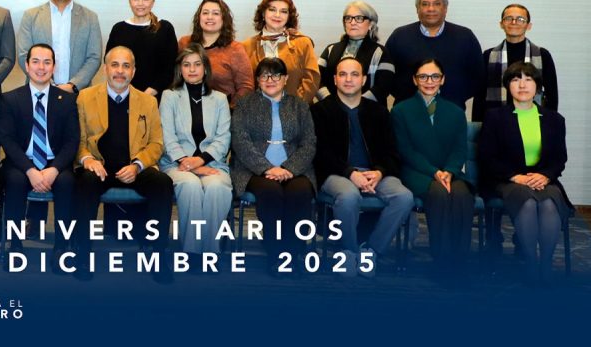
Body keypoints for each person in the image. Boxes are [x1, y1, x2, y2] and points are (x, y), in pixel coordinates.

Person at [74, 46, 173, 281]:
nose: (120, 71)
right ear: (105, 69)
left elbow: (156, 143)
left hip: (133, 167)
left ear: (133, 71)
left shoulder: (148, 101)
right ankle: (82, 254)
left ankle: (158, 255)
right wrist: (88, 159)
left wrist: (137, 165)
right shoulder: (85, 97)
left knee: (163, 184)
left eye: (126, 66)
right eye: (115, 65)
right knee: (85, 182)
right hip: (99, 166)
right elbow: (77, 140)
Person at [311, 57, 411, 273]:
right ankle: (349, 251)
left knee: (403, 197)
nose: (349, 79)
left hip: (375, 174)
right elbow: (320, 153)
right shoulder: (320, 111)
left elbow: (392, 152)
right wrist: (350, 173)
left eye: (354, 74)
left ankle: (371, 251)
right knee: (349, 196)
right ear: (335, 80)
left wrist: (380, 172)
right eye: (343, 74)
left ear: (364, 80)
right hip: (337, 174)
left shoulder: (379, 112)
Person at [478, 62, 569, 284]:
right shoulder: (495, 117)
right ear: (507, 86)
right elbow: (487, 156)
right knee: (527, 202)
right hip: (506, 179)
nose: (522, 85)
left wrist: (546, 175)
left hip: (542, 179)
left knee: (549, 203)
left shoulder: (554, 120)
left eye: (528, 79)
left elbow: (559, 158)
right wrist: (514, 177)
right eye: (515, 79)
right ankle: (530, 263)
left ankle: (545, 264)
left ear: (537, 86)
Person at [391, 59, 474, 281]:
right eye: (423, 77)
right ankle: (442, 262)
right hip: (417, 172)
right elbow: (405, 150)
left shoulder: (455, 112)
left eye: (435, 76)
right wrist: (433, 172)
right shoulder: (400, 111)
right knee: (439, 194)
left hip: (449, 172)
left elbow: (459, 150)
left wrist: (449, 171)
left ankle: (460, 261)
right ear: (414, 80)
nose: (429, 81)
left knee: (462, 194)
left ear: (442, 79)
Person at [230, 58, 316, 270]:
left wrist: (288, 169)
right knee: (271, 193)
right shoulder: (244, 104)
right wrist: (267, 168)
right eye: (264, 75)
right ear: (257, 80)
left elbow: (309, 143)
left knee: (301, 192)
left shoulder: (300, 106)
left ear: (285, 78)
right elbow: (240, 142)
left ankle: (293, 253)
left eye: (276, 75)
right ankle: (275, 254)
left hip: (294, 169)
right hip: (254, 170)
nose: (270, 80)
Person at [0, 43, 79, 257]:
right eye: (35, 62)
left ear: (54, 67)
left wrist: (54, 169)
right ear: (27, 66)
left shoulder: (67, 100)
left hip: (55, 163)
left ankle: (62, 246)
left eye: (47, 62)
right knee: (14, 181)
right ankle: (15, 245)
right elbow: (7, 139)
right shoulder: (10, 98)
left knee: (67, 182)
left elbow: (72, 141)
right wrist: (30, 170)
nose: (41, 67)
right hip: (21, 162)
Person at [158, 44, 232, 256]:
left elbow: (223, 137)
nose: (192, 69)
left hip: (212, 163)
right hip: (176, 164)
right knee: (190, 186)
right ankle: (191, 252)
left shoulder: (219, 99)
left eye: (197, 64)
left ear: (205, 68)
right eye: (186, 64)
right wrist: (190, 165)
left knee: (217, 188)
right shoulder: (169, 96)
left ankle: (210, 252)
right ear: (179, 69)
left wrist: (200, 161)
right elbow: (167, 137)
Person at [385, 0, 483, 107]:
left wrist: (456, 99)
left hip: (451, 111)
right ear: (417, 9)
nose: (431, 9)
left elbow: (478, 77)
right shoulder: (399, 36)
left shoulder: (465, 36)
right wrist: (405, 98)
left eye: (437, 4)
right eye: (425, 4)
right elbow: (386, 76)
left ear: (445, 8)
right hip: (407, 112)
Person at [17, 0, 103, 94]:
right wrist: (47, 84)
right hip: (39, 91)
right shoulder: (31, 16)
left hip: (79, 93)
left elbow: (94, 57)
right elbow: (24, 55)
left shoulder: (90, 18)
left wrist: (74, 85)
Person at [474, 4, 558, 122]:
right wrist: (478, 124)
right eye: (508, 18)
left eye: (520, 19)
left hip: (533, 120)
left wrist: (550, 122)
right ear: (501, 24)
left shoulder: (542, 55)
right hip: (496, 121)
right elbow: (480, 94)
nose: (514, 22)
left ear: (528, 26)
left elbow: (552, 94)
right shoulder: (488, 56)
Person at [242, 0, 319, 104]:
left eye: (283, 11)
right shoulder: (246, 46)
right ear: (263, 13)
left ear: (288, 17)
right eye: (272, 10)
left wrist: (295, 106)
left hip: (296, 109)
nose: (277, 15)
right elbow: (244, 84)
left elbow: (312, 79)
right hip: (258, 110)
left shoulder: (303, 43)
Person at [105, 0, 178, 97]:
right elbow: (110, 63)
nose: (140, 3)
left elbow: (170, 67)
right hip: (123, 95)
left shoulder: (165, 28)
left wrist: (148, 94)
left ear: (153, 2)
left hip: (155, 96)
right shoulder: (118, 29)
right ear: (129, 1)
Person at [179, 0, 253, 108]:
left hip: (224, 111)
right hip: (186, 108)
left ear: (224, 19)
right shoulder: (184, 43)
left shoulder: (235, 49)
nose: (210, 17)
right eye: (205, 13)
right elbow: (175, 78)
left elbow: (246, 87)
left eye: (215, 13)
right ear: (199, 17)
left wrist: (229, 110)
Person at [317, 0, 395, 103]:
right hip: (329, 108)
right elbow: (316, 79)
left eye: (359, 18)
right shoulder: (330, 50)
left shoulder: (381, 52)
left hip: (369, 110)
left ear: (371, 25)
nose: (352, 22)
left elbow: (384, 87)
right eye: (348, 18)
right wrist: (330, 101)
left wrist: (355, 104)